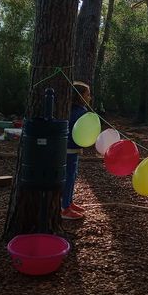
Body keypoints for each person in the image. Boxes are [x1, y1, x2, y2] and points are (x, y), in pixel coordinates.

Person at [62, 82, 90, 221]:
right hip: (70, 149)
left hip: (69, 148)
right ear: (80, 96)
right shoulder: (81, 113)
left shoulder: (69, 109)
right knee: (69, 176)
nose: (90, 98)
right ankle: (64, 208)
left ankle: (68, 202)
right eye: (88, 94)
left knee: (72, 175)